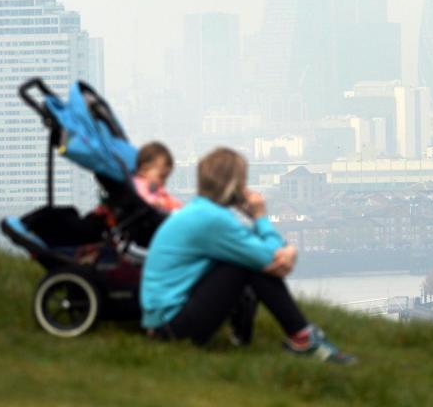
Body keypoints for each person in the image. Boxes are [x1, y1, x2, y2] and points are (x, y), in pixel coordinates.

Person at [140, 147, 354, 363]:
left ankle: (300, 336)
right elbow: (267, 256)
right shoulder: (214, 220)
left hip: (163, 322)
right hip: (170, 326)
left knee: (247, 259)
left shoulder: (203, 211)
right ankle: (303, 338)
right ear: (234, 185)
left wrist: (283, 251)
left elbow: (259, 248)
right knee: (246, 265)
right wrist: (261, 217)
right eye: (242, 181)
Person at [133, 142, 183, 213]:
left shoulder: (155, 187)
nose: (164, 182)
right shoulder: (138, 184)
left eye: (166, 177)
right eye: (162, 176)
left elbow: (169, 199)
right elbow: (143, 199)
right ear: (144, 170)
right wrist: (159, 202)